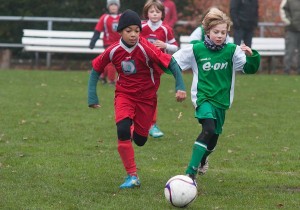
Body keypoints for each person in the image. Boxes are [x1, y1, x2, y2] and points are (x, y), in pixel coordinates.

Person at [88, 9, 187, 189]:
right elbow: (96, 68)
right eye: (129, 31)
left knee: (140, 140)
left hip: (147, 99)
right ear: (120, 31)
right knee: (123, 129)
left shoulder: (146, 48)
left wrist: (180, 86)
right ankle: (132, 176)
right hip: (124, 95)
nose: (133, 34)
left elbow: (171, 63)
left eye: (137, 30)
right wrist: (92, 96)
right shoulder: (113, 50)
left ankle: (136, 130)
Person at [171, 8, 261, 181]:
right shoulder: (196, 49)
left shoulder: (232, 50)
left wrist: (252, 56)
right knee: (208, 129)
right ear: (207, 32)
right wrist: (157, 64)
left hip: (221, 101)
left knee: (212, 140)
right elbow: (172, 62)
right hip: (203, 98)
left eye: (223, 32)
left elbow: (250, 69)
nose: (220, 36)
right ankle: (190, 172)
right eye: (216, 32)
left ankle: (203, 158)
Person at [141, 0, 179, 138]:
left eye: (157, 12)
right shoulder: (140, 27)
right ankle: (137, 123)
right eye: (152, 11)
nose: (155, 14)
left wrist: (165, 45)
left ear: (162, 13)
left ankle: (152, 125)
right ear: (147, 13)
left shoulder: (165, 28)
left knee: (151, 96)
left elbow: (175, 47)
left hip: (156, 68)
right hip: (140, 66)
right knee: (137, 95)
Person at [89, 0, 122, 85]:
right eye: (111, 5)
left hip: (120, 43)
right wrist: (93, 42)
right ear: (108, 7)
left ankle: (102, 76)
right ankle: (111, 81)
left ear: (118, 6)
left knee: (108, 61)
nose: (113, 6)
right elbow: (97, 30)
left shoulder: (122, 17)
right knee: (112, 62)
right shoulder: (104, 17)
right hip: (108, 43)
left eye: (115, 5)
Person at [280, 0, 300, 75]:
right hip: (291, 30)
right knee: (289, 52)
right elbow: (282, 10)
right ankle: (286, 71)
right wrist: (289, 22)